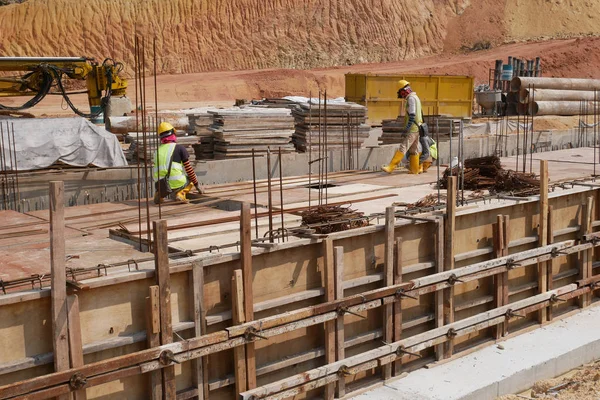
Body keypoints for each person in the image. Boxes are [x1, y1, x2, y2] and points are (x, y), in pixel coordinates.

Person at [153, 122, 203, 204]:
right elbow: (189, 170)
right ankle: (181, 194)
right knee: (191, 178)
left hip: (160, 185)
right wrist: (197, 185)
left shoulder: (157, 151)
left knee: (165, 177)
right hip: (176, 183)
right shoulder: (179, 148)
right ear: (173, 133)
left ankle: (160, 194)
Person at [381, 80, 423, 174]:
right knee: (414, 149)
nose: (401, 95)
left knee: (403, 147)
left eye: (401, 92)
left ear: (404, 90)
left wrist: (407, 128)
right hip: (417, 127)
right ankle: (414, 169)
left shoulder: (411, 99)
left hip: (413, 128)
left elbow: (412, 115)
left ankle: (391, 167)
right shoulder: (416, 97)